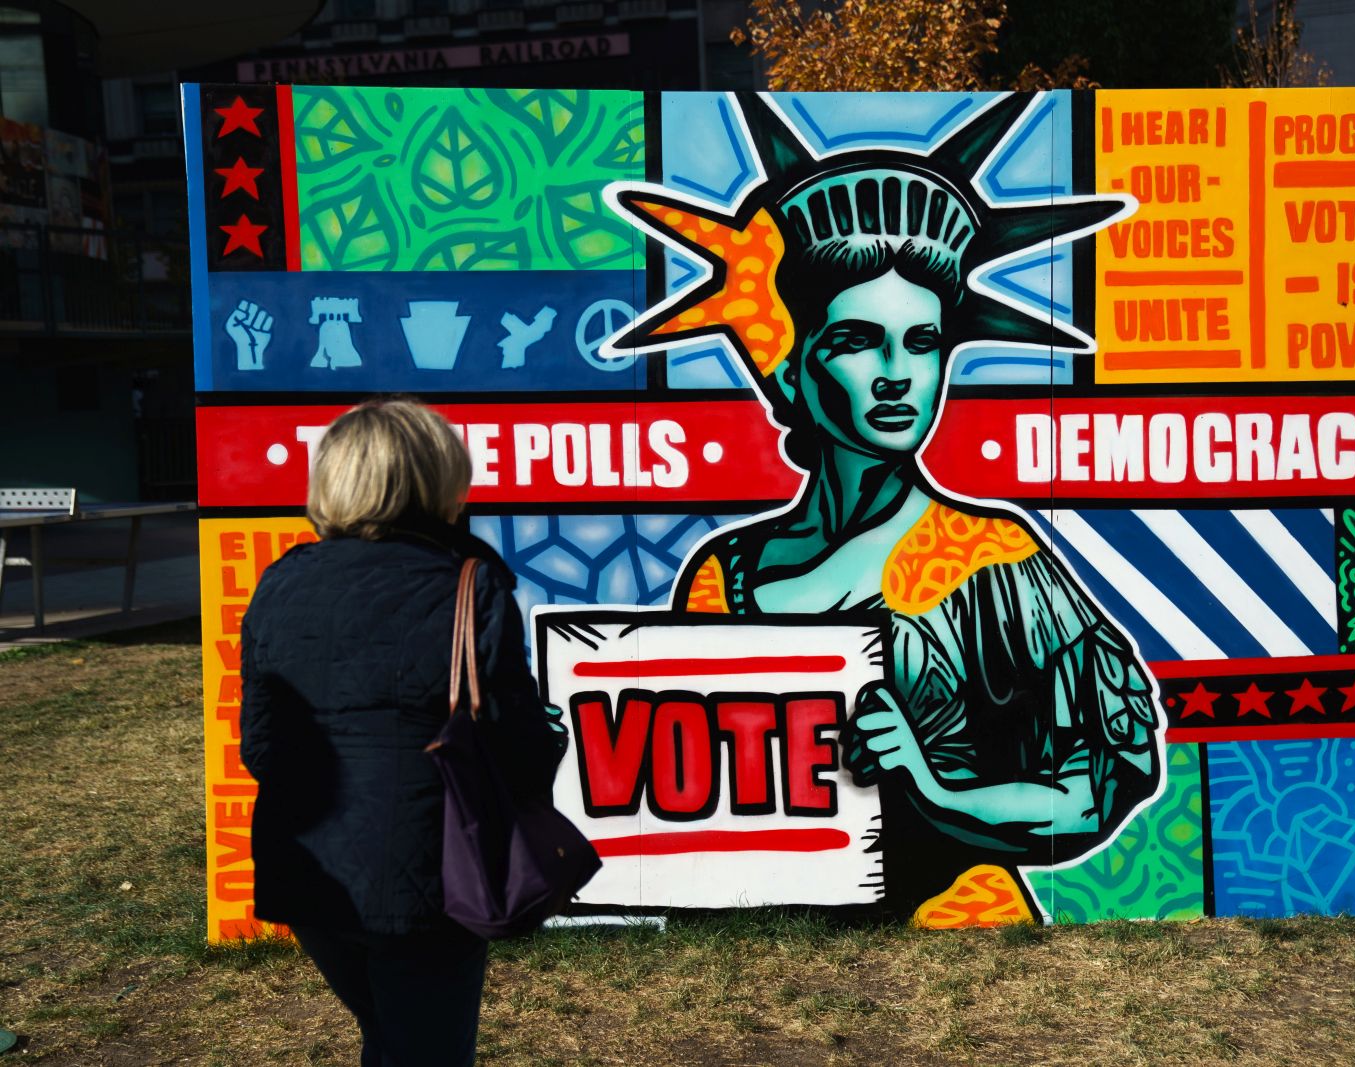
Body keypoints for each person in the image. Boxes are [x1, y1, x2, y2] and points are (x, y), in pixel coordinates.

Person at [613, 97, 1166, 915]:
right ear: (793, 372)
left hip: (959, 947)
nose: (896, 372)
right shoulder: (723, 577)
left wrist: (936, 791)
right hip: (770, 974)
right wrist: (603, 754)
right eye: (857, 340)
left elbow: (1094, 787)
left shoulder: (990, 556)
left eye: (922, 340)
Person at [240, 398, 564, 1066]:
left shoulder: (279, 582)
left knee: (390, 1038)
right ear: (438, 482)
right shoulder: (470, 585)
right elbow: (520, 747)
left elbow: (261, 744)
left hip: (306, 876)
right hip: (430, 881)